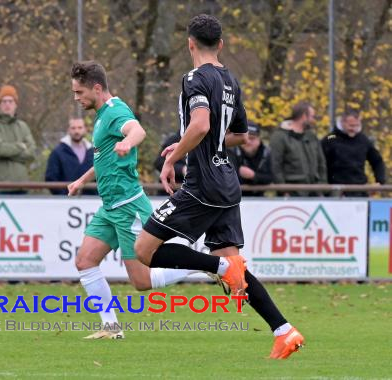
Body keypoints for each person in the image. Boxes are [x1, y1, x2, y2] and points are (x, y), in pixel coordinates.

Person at [133, 14, 304, 359]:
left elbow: (198, 125)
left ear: (190, 43)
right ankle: (284, 331)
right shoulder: (230, 80)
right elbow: (241, 135)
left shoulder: (195, 78)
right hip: (227, 181)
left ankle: (222, 269)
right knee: (233, 264)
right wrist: (201, 141)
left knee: (144, 250)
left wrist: (173, 157)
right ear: (221, 44)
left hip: (203, 185)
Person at [67, 61, 198, 339]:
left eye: (79, 92)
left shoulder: (115, 112)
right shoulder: (102, 115)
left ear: (97, 88)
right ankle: (111, 328)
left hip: (127, 207)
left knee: (141, 281)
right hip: (110, 207)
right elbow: (103, 157)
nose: (76, 98)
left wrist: (129, 142)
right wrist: (82, 180)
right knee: (84, 261)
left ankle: (201, 263)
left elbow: (137, 130)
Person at [0, 85, 36, 194]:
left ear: (16, 104)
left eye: (10, 101)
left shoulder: (23, 126)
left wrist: (8, 152)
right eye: (4, 101)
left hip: (21, 188)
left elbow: (31, 153)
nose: (7, 104)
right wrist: (20, 146)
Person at [321, 108, 386, 196]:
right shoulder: (330, 138)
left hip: (360, 191)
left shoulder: (363, 140)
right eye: (351, 125)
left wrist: (379, 181)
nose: (354, 129)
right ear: (343, 122)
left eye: (357, 125)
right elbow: (320, 164)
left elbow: (377, 161)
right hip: (336, 192)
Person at [269, 102, 327, 196]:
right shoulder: (279, 137)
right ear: (304, 116)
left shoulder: (311, 136)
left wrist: (322, 186)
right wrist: (283, 190)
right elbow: (275, 165)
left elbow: (321, 163)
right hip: (292, 192)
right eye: (312, 116)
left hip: (314, 192)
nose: (314, 120)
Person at [45, 117, 95, 195]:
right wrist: (63, 196)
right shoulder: (58, 152)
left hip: (90, 200)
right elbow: (51, 178)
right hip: (65, 201)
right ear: (68, 130)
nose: (76, 131)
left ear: (85, 129)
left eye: (80, 128)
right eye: (73, 128)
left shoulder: (93, 152)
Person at [228, 122, 273, 196]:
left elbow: (271, 177)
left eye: (252, 138)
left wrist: (253, 176)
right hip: (235, 196)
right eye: (245, 138)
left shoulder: (266, 152)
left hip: (260, 198)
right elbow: (228, 179)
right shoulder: (232, 151)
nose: (248, 142)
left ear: (259, 139)